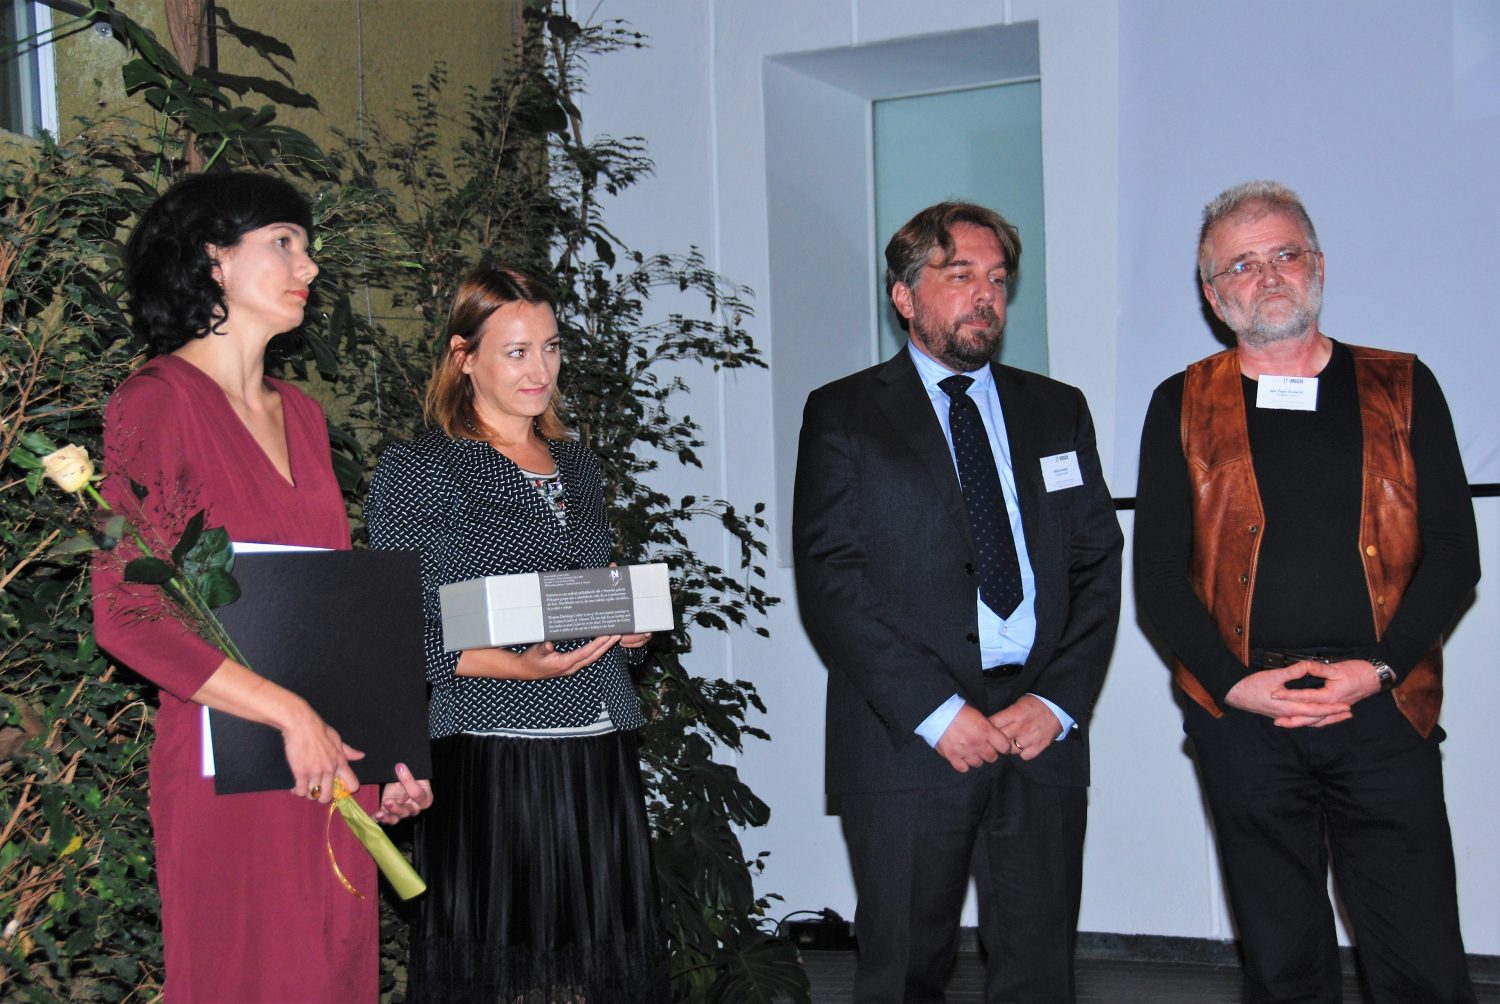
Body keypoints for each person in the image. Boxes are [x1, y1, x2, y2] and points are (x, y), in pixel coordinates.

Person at [1135, 180, 1480, 1003]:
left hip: (1382, 708)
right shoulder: (1182, 402)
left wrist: (1381, 670)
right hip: (1245, 721)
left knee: (1424, 965)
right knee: (1283, 968)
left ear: (1318, 266)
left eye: (1285, 254)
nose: (1268, 275)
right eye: (1242, 264)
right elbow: (1157, 576)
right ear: (1214, 296)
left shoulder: (1403, 386)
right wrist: (1234, 686)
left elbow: (1455, 556)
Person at [91, 171, 432, 1002]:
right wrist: (288, 713)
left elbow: (331, 610)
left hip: (325, 769)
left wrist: (385, 756)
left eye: (306, 246)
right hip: (228, 766)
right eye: (283, 242)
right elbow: (126, 613)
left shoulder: (303, 417)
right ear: (212, 259)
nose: (308, 266)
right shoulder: (152, 403)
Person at [792, 201, 1123, 1002]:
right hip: (909, 738)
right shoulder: (844, 412)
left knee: (1040, 976)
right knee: (905, 972)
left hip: (1039, 733)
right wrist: (938, 713)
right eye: (962, 275)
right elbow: (833, 580)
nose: (986, 296)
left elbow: (1096, 565)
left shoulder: (1057, 409)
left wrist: (1058, 700)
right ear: (904, 296)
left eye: (998, 280)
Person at [364, 263, 668, 1002]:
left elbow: (581, 591)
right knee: (495, 971)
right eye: (517, 351)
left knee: (600, 971)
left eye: (552, 348)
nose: (541, 370)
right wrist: (515, 667)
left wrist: (627, 626)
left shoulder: (578, 464)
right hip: (491, 751)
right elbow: (401, 628)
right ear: (464, 357)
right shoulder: (420, 467)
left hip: (599, 742)